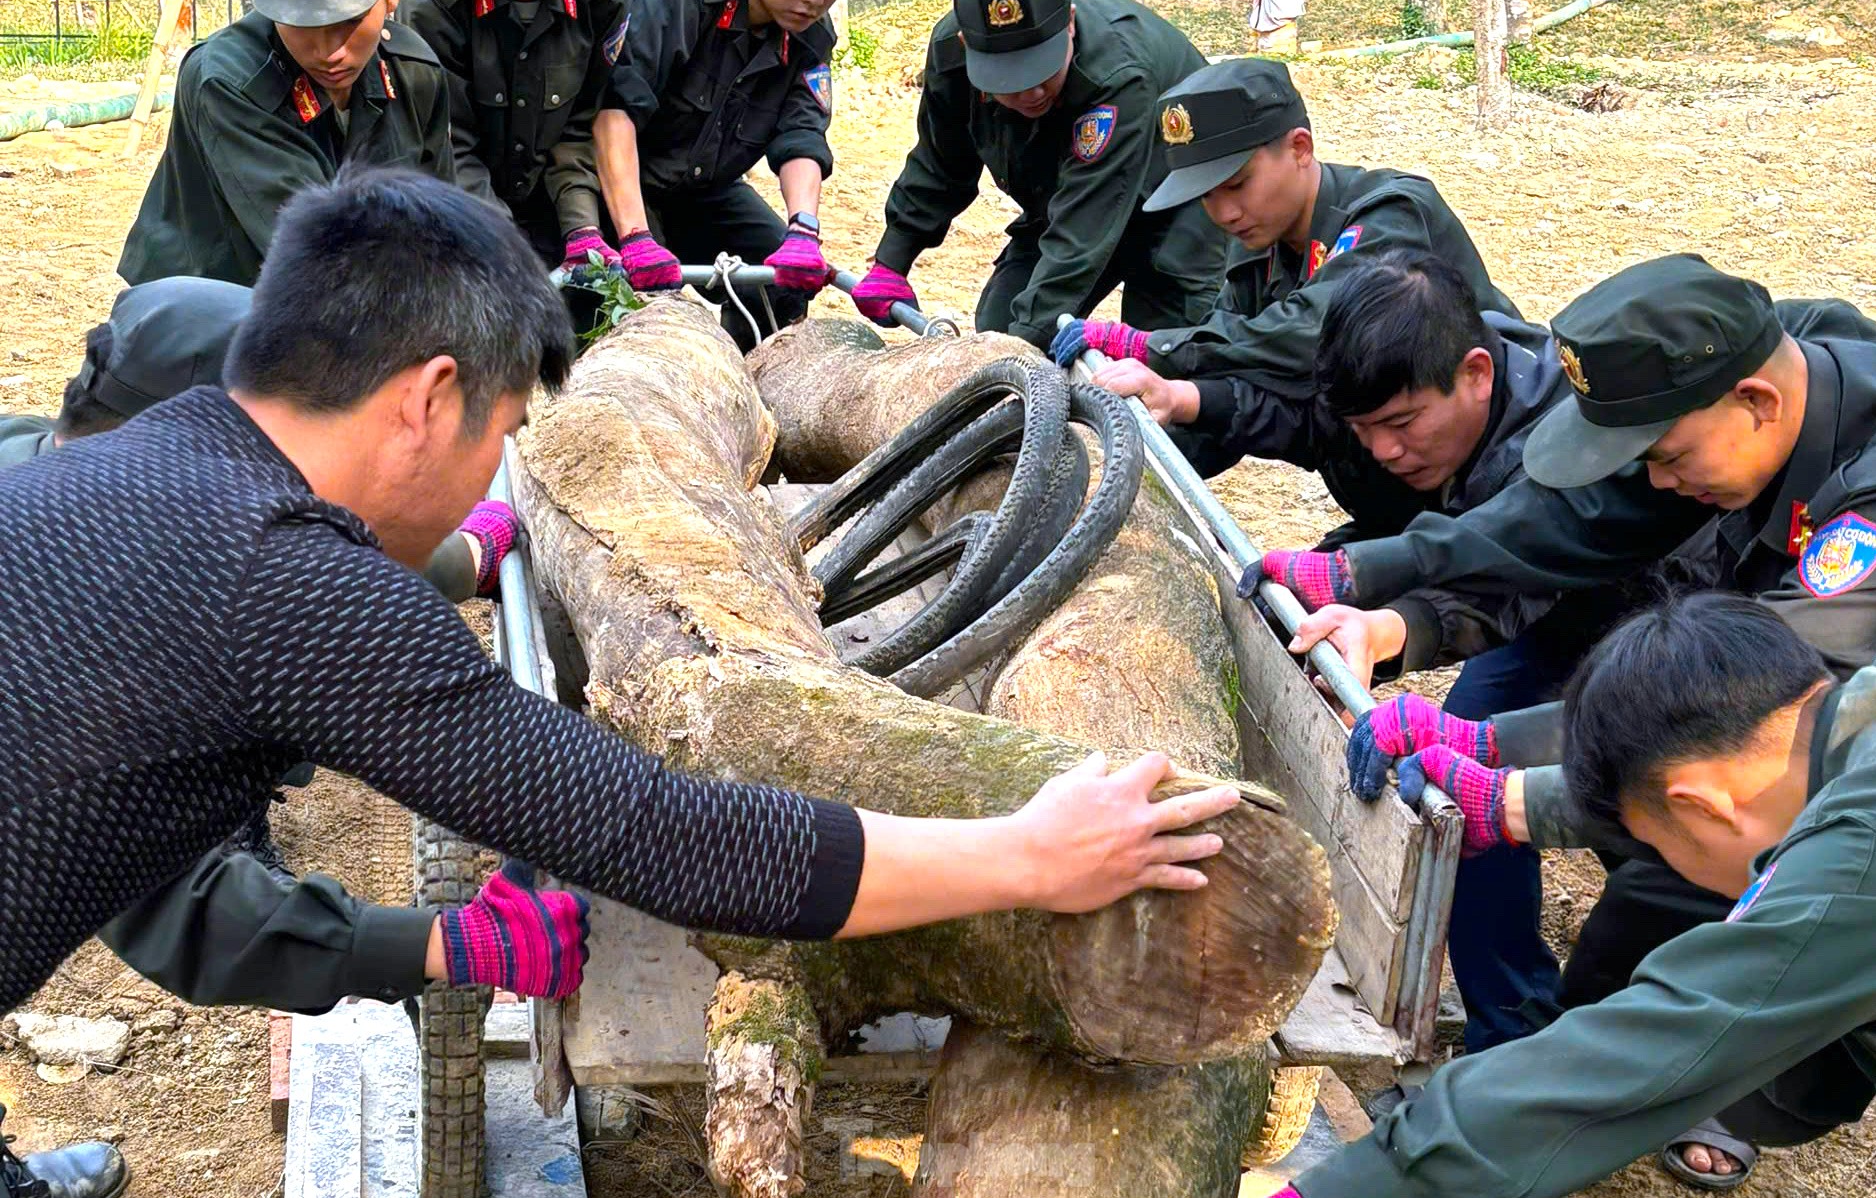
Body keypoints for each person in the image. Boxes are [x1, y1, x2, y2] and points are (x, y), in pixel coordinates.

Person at [1, 165, 1239, 1028]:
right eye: (499, 429)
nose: (496, 467)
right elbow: (663, 834)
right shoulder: (298, 592)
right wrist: (1024, 852)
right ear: (429, 398)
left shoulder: (157, 451)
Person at [1268, 253, 1876, 1185]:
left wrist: (1504, 758)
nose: (1654, 482)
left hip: (1817, 771)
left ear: (1757, 403)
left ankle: (1741, 1088)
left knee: (1682, 959)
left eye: (1666, 457)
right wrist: (1380, 574)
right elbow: (1572, 517)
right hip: (1791, 762)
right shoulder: (1765, 365)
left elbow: (1743, 718)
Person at [0, 275, 589, 1019]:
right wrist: (443, 944)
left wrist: (461, 557)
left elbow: (308, 558)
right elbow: (181, 907)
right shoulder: (87, 645)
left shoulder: (47, 464)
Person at [1096, 251, 1596, 1053]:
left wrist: (1388, 624)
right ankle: (1512, 1021)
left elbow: (1513, 585)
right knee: (1451, 768)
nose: (1386, 452)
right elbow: (1306, 420)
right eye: (1369, 432)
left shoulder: (1552, 444)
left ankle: (1568, 1041)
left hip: (1633, 611)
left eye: (1400, 427)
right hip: (1506, 597)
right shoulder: (1412, 392)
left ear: (1476, 374)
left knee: (1558, 786)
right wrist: (1182, 394)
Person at [1271, 592, 1876, 1198]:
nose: (1667, 862)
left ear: (1701, 805)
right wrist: (1510, 795)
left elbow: (1627, 1060)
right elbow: (1680, 755)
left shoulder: (1856, 866)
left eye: (1658, 843)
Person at [1048, 58, 1517, 393]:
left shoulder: (1391, 214)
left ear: (1299, 148)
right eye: (1206, 196)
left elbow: (1319, 333)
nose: (1224, 213)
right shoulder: (1259, 245)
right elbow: (1235, 372)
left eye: (1236, 184)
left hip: (1505, 464)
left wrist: (1154, 346)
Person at [845, 0, 1228, 348]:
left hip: (1176, 202)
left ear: (1070, 25)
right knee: (1000, 320)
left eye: (1042, 69)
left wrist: (1020, 351)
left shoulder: (1118, 74)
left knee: (1163, 348)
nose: (1031, 92)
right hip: (1071, 193)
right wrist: (893, 258)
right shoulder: (952, 55)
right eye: (1007, 78)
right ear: (966, 45)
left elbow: (1084, 228)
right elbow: (942, 161)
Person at [119, 0, 453, 287]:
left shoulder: (411, 72)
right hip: (218, 310)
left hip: (355, 301)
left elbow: (447, 222)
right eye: (303, 22)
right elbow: (321, 254)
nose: (329, 50)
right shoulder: (231, 81)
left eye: (350, 21)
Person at [591, 0, 873, 347]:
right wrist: (636, 235)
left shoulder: (811, 35)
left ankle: (750, 391)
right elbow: (614, 108)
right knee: (639, 313)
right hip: (620, 181)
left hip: (705, 191)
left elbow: (802, 133)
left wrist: (803, 229)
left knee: (778, 283)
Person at [399, 0, 634, 279]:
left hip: (547, 196)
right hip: (453, 209)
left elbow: (582, 122)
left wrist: (580, 227)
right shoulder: (433, 2)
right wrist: (505, 250)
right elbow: (447, 146)